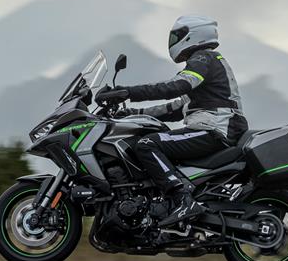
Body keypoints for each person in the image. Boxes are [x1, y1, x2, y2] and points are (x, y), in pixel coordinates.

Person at [95, 15, 248, 226]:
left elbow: (175, 87)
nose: (173, 40)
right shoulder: (206, 66)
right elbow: (173, 108)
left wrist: (127, 92)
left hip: (214, 129)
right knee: (151, 138)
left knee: (147, 144)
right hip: (213, 127)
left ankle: (182, 198)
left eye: (178, 35)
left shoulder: (204, 58)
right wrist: (129, 112)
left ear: (193, 34)